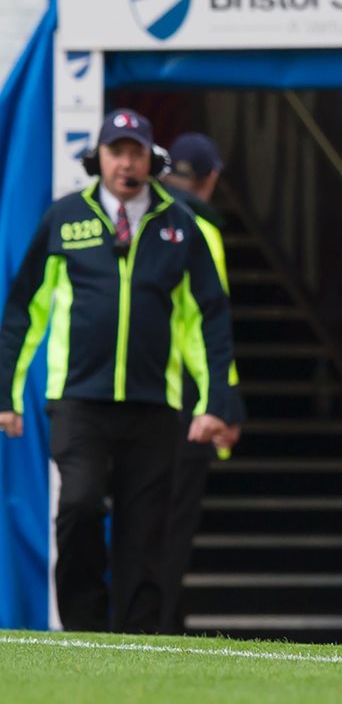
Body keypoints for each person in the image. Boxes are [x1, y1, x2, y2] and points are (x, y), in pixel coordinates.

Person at [0, 108, 234, 633]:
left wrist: (215, 400)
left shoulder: (181, 225)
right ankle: (82, 628)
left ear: (153, 161)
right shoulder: (64, 218)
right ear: (98, 158)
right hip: (79, 399)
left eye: (137, 153)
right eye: (116, 151)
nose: (126, 164)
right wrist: (6, 393)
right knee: (80, 505)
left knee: (146, 528)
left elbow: (208, 320)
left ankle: (139, 640)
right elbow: (24, 309)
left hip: (155, 403)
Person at [157, 132, 245, 634]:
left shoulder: (141, 213)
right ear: (211, 178)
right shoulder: (199, 228)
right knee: (172, 519)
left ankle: (142, 617)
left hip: (120, 386)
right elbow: (210, 325)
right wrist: (223, 402)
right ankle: (160, 621)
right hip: (185, 394)